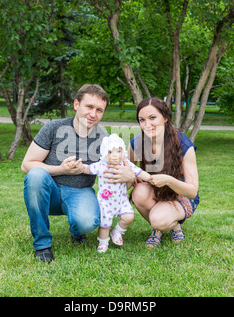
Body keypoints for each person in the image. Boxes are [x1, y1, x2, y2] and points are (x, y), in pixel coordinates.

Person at [21, 84, 111, 262]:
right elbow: (26, 165)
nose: (93, 114)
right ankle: (42, 244)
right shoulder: (53, 128)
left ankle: (77, 231)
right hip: (49, 191)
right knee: (35, 175)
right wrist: (61, 169)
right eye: (89, 107)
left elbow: (109, 167)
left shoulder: (103, 137)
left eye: (99, 110)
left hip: (80, 191)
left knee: (86, 222)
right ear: (76, 104)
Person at [128, 97, 199, 247]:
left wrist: (168, 180)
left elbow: (192, 191)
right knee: (139, 192)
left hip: (181, 195)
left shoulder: (183, 144)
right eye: (142, 120)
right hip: (155, 191)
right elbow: (129, 176)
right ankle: (169, 227)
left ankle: (161, 227)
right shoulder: (137, 143)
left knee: (159, 220)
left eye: (152, 118)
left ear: (165, 117)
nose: (147, 125)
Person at [81, 134, 151, 253]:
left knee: (129, 217)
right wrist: (79, 167)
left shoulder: (125, 164)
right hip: (106, 201)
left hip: (121, 199)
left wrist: (150, 178)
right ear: (104, 153)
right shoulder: (101, 165)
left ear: (123, 152)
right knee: (105, 224)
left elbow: (138, 172)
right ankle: (103, 242)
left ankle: (117, 231)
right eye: (110, 152)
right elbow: (88, 169)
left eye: (118, 151)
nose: (115, 155)